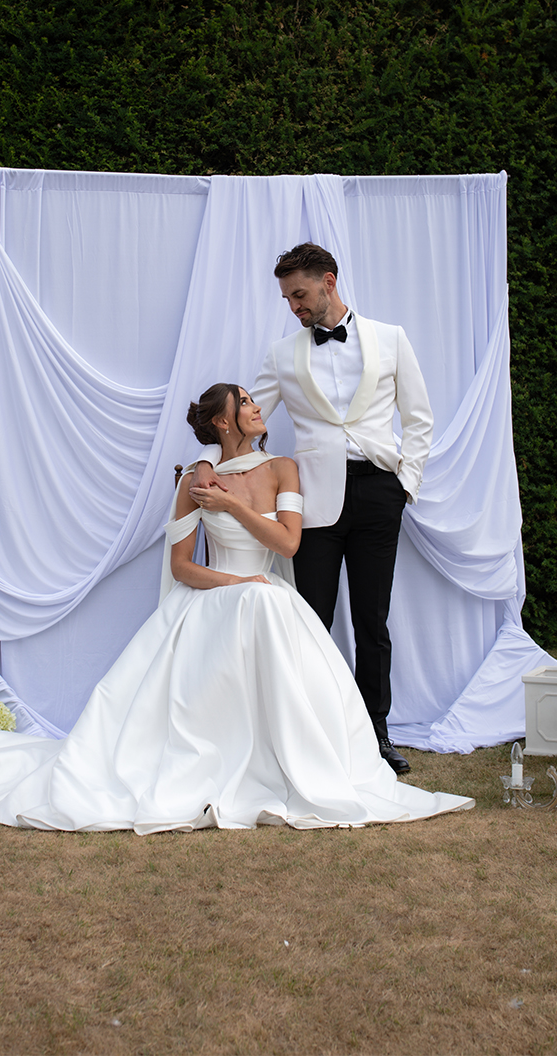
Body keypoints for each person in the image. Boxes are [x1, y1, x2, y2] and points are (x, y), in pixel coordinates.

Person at [0, 384, 471, 831]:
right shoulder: (194, 479)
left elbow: (286, 543)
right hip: (219, 598)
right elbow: (180, 567)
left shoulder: (284, 467)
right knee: (248, 616)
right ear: (226, 423)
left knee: (271, 612)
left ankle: (292, 764)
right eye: (248, 404)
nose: (259, 408)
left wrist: (232, 510)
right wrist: (229, 583)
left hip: (269, 597)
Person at [191, 245, 433, 776]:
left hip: (377, 494)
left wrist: (404, 486)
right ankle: (317, 732)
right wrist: (206, 462)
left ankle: (376, 734)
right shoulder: (282, 355)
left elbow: (418, 419)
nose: (294, 307)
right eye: (287, 299)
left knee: (372, 621)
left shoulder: (390, 339)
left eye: (299, 295)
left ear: (328, 281)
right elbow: (236, 418)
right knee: (311, 620)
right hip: (311, 504)